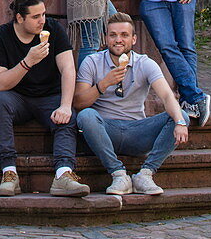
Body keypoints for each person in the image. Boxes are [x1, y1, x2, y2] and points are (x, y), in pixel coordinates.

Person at [0, 0, 90, 197]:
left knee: (68, 115)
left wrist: (65, 105)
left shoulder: (53, 28)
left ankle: (63, 174)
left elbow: (68, 68)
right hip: (17, 98)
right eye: (36, 17)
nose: (42, 20)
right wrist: (28, 62)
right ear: (19, 18)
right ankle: (9, 173)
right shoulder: (0, 37)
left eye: (43, 14)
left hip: (50, 96)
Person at [74, 12, 190, 195]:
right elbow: (79, 102)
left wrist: (180, 122)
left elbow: (167, 96)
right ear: (106, 38)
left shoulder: (145, 63)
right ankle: (119, 175)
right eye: (113, 35)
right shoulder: (92, 62)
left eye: (124, 35)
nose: (118, 40)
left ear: (134, 39)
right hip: (105, 130)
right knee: (86, 116)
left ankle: (145, 174)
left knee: (181, 115)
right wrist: (103, 84)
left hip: (137, 131)